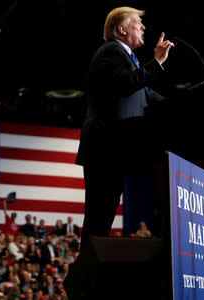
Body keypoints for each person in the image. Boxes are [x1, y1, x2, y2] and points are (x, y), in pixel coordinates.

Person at [75, 6, 174, 247]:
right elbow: (127, 83)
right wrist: (157, 62)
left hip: (114, 150)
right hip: (104, 148)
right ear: (121, 30)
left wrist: (186, 103)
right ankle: (85, 279)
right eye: (137, 23)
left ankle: (89, 276)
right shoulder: (110, 51)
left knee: (103, 219)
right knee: (99, 219)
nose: (143, 27)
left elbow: (145, 93)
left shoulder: (127, 57)